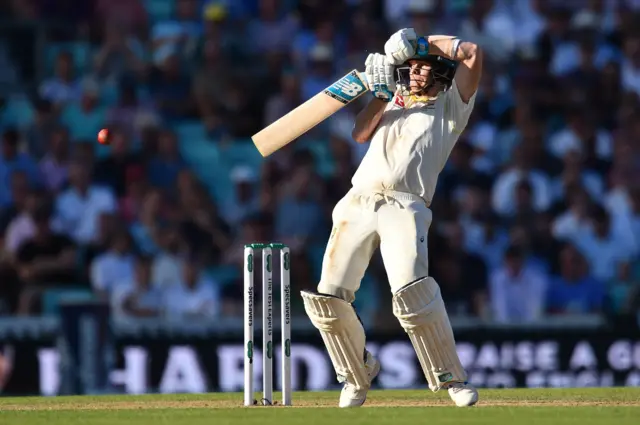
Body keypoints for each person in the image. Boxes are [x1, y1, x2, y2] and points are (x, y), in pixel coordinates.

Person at [300, 28, 482, 408]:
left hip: (405, 204)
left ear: (439, 71)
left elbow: (471, 52)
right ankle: (356, 374)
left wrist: (420, 42)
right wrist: (382, 96)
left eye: (423, 66)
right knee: (328, 297)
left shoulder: (453, 105)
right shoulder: (393, 97)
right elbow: (360, 133)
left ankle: (451, 379)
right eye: (411, 66)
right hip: (359, 200)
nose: (416, 72)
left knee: (412, 292)